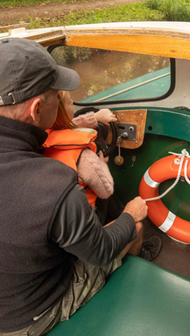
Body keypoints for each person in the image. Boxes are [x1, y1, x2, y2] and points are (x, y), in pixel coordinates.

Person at [0, 38, 156, 336]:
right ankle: (128, 286)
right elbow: (100, 251)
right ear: (37, 109)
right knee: (134, 229)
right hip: (25, 319)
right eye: (57, 96)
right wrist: (130, 214)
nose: (63, 100)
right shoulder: (51, 185)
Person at [43, 92, 162, 260]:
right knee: (131, 221)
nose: (73, 106)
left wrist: (96, 117)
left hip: (61, 216)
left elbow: (68, 125)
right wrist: (103, 163)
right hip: (87, 218)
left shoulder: (41, 136)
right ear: (61, 111)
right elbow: (106, 189)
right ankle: (135, 253)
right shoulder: (84, 157)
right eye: (71, 103)